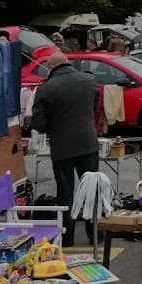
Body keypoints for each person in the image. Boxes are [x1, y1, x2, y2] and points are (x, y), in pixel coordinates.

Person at [29, 51, 100, 246]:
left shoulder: (46, 88)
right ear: (67, 63)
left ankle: (67, 237)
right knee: (92, 188)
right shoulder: (88, 80)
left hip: (62, 147)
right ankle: (94, 232)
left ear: (51, 67)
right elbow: (94, 107)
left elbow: (39, 124)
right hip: (88, 142)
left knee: (65, 191)